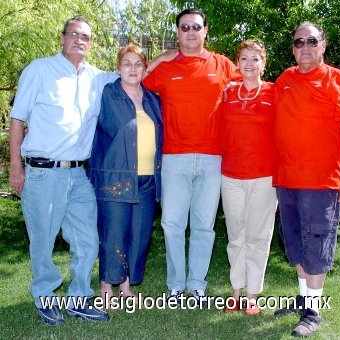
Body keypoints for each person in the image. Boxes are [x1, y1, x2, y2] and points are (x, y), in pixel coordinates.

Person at [8, 16, 118, 325]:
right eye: (73, 34)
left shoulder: (97, 77)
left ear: (91, 43)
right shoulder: (39, 70)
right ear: (62, 37)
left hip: (78, 175)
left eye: (85, 37)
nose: (79, 40)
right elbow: (17, 119)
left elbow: (134, 70)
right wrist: (15, 166)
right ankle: (45, 297)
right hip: (42, 174)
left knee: (86, 239)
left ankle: (79, 299)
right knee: (42, 242)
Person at [142, 8, 240, 304]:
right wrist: (162, 57)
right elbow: (136, 75)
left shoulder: (222, 65)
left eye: (196, 27)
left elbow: (248, 86)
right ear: (177, 32)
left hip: (213, 159)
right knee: (172, 224)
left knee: (203, 226)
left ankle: (197, 282)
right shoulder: (166, 68)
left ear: (205, 31)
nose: (191, 32)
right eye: (184, 27)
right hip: (174, 158)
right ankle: (175, 284)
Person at [273, 22, 340, 336]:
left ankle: (313, 311)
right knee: (294, 244)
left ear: (323, 45)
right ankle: (304, 298)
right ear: (293, 48)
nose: (305, 46)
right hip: (286, 180)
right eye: (299, 42)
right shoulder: (284, 79)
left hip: (322, 181)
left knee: (317, 245)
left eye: (312, 41)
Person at [87, 44, 162, 307]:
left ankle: (126, 286)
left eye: (138, 64)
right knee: (113, 233)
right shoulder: (107, 94)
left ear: (144, 68)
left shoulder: (152, 99)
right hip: (115, 176)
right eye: (127, 63)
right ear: (118, 68)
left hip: (147, 180)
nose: (132, 69)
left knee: (139, 235)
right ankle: (107, 285)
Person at [221, 40, 277, 315]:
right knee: (236, 234)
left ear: (263, 64)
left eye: (256, 59)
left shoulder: (274, 93)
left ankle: (252, 295)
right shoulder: (228, 93)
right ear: (238, 63)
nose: (250, 64)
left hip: (264, 176)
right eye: (245, 58)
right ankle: (235, 291)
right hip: (230, 174)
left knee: (258, 235)